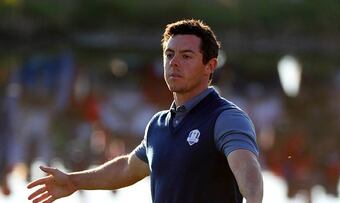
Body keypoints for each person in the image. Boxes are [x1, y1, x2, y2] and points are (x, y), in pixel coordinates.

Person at [27, 19, 263, 203]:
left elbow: (246, 167)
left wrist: (253, 200)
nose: (174, 63)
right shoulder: (158, 125)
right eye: (169, 55)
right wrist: (73, 181)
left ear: (209, 66)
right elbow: (128, 167)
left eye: (186, 56)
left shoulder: (226, 118)